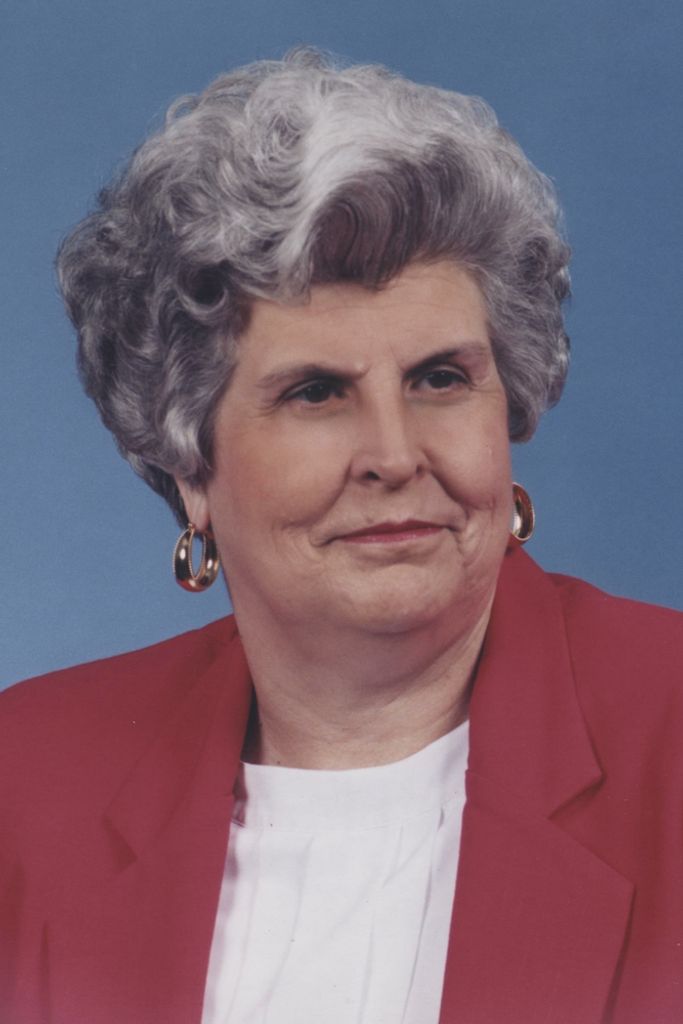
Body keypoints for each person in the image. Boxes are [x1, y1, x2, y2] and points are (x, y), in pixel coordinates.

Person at [1, 47, 681, 1024]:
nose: (394, 455)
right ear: (188, 464)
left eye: (439, 379)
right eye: (316, 392)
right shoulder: (26, 780)